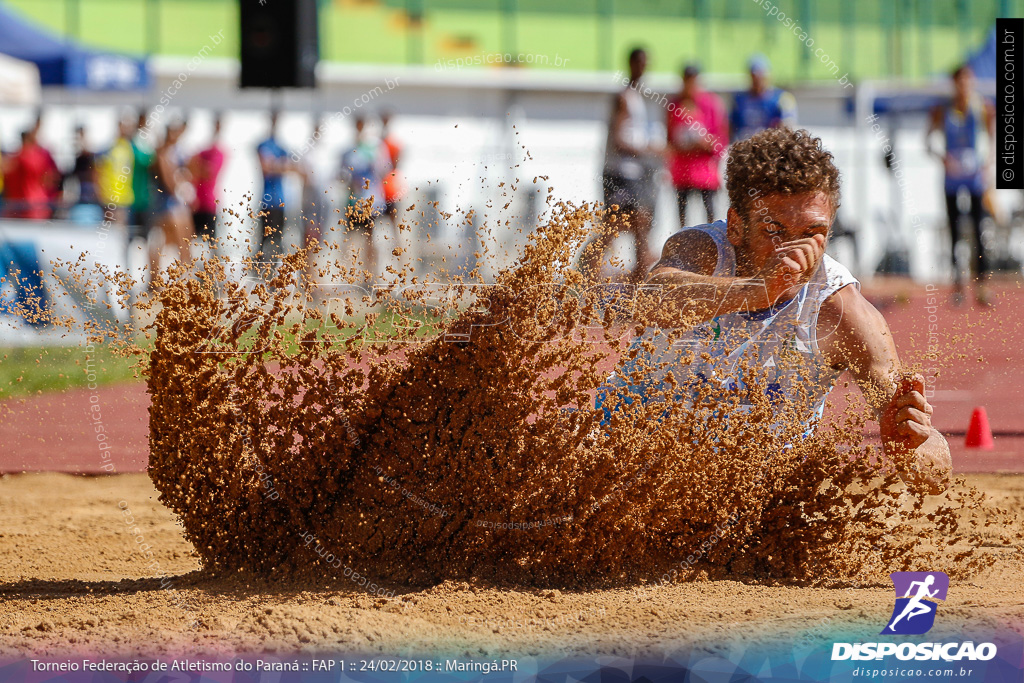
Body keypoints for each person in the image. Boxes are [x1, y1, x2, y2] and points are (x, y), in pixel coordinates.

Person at [597, 127, 951, 494]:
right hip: (630, 466)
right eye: (775, 230)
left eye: (813, 231)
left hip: (750, 499)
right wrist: (758, 290)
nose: (795, 250)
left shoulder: (842, 312)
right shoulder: (703, 251)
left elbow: (934, 476)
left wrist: (915, 446)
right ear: (736, 226)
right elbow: (652, 301)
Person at [581, 47, 662, 283]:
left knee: (639, 223)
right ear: (631, 64)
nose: (642, 68)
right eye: (639, 63)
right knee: (614, 226)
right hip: (619, 173)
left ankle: (637, 283)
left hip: (633, 173)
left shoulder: (639, 98)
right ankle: (585, 274)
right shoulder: (623, 97)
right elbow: (619, 139)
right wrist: (648, 150)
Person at [926, 64, 996, 306]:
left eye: (968, 80)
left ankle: (982, 285)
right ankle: (957, 286)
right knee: (955, 232)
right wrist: (943, 159)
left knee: (979, 229)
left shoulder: (983, 107)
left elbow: (993, 137)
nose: (964, 85)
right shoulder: (942, 110)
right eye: (960, 80)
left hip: (975, 177)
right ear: (954, 83)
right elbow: (928, 142)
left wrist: (987, 163)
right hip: (952, 178)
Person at [666, 63, 727, 227]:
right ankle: (683, 247)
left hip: (705, 171)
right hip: (682, 171)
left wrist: (704, 144)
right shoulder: (675, 105)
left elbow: (720, 137)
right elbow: (670, 140)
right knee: (682, 218)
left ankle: (712, 248)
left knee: (711, 217)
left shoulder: (710, 104)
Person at [339, 114, 392, 280]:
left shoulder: (375, 148)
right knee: (351, 238)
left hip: (371, 200)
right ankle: (349, 276)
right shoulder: (347, 151)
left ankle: (371, 276)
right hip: (353, 201)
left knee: (371, 238)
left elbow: (385, 170)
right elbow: (341, 174)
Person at [149, 119, 194, 284]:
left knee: (180, 242)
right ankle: (167, 279)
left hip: (170, 203)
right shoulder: (163, 155)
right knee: (177, 242)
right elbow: (169, 183)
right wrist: (180, 184)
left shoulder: (174, 153)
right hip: (166, 205)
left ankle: (183, 278)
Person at [730, 54, 797, 142]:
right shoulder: (740, 100)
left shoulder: (781, 99)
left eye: (761, 76)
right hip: (744, 146)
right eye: (754, 76)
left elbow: (787, 129)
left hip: (768, 148)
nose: (758, 80)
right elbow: (731, 127)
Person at [2, 118, 60, 220]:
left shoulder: (19, 157)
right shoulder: (41, 157)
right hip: (39, 205)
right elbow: (52, 179)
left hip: (21, 207)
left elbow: (6, 171)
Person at [256, 111, 292, 260]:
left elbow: (289, 167)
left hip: (280, 201)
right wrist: (279, 165)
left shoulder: (281, 146)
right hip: (266, 200)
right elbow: (265, 168)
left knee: (278, 241)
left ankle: (275, 275)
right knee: (263, 241)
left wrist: (274, 165)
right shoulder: (263, 145)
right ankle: (259, 273)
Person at [189, 112, 226, 244]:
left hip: (209, 203)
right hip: (196, 203)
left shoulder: (219, 152)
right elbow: (191, 166)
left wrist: (196, 166)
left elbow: (209, 172)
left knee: (211, 243)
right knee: (191, 242)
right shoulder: (204, 151)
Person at [97, 115, 136, 225]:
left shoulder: (129, 147)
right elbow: (97, 170)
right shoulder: (110, 147)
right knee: (112, 230)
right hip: (109, 198)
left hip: (124, 198)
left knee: (120, 230)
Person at [380, 110, 406, 227]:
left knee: (393, 217)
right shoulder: (379, 142)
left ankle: (398, 243)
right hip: (379, 186)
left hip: (390, 185)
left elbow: (397, 161)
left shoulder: (393, 142)